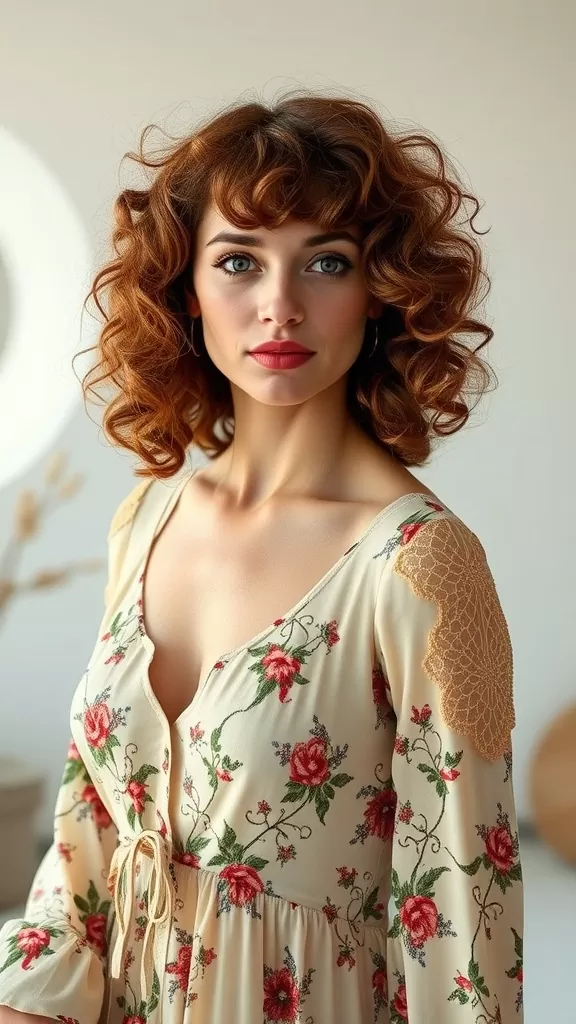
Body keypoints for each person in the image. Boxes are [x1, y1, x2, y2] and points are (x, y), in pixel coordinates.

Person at [0, 89, 523, 1024]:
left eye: (326, 262)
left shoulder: (419, 565)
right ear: (186, 291)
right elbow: (86, 831)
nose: (280, 306)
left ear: (380, 291)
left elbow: (463, 927)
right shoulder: (148, 519)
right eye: (239, 261)